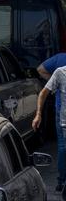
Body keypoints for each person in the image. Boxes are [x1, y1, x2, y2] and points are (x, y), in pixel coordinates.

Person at [39, 53, 66, 192]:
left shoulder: (59, 59)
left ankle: (62, 181)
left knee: (62, 147)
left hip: (60, 110)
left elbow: (40, 69)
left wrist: (54, 83)